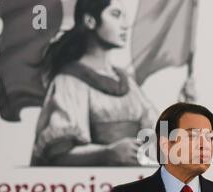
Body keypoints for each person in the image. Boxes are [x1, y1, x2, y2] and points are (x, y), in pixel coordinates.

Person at [31, 0, 158, 166]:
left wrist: (185, 106)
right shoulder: (70, 81)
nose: (126, 25)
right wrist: (108, 153)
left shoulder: (127, 82)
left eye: (125, 17)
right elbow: (58, 154)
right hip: (90, 186)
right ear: (90, 21)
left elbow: (155, 134)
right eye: (116, 15)